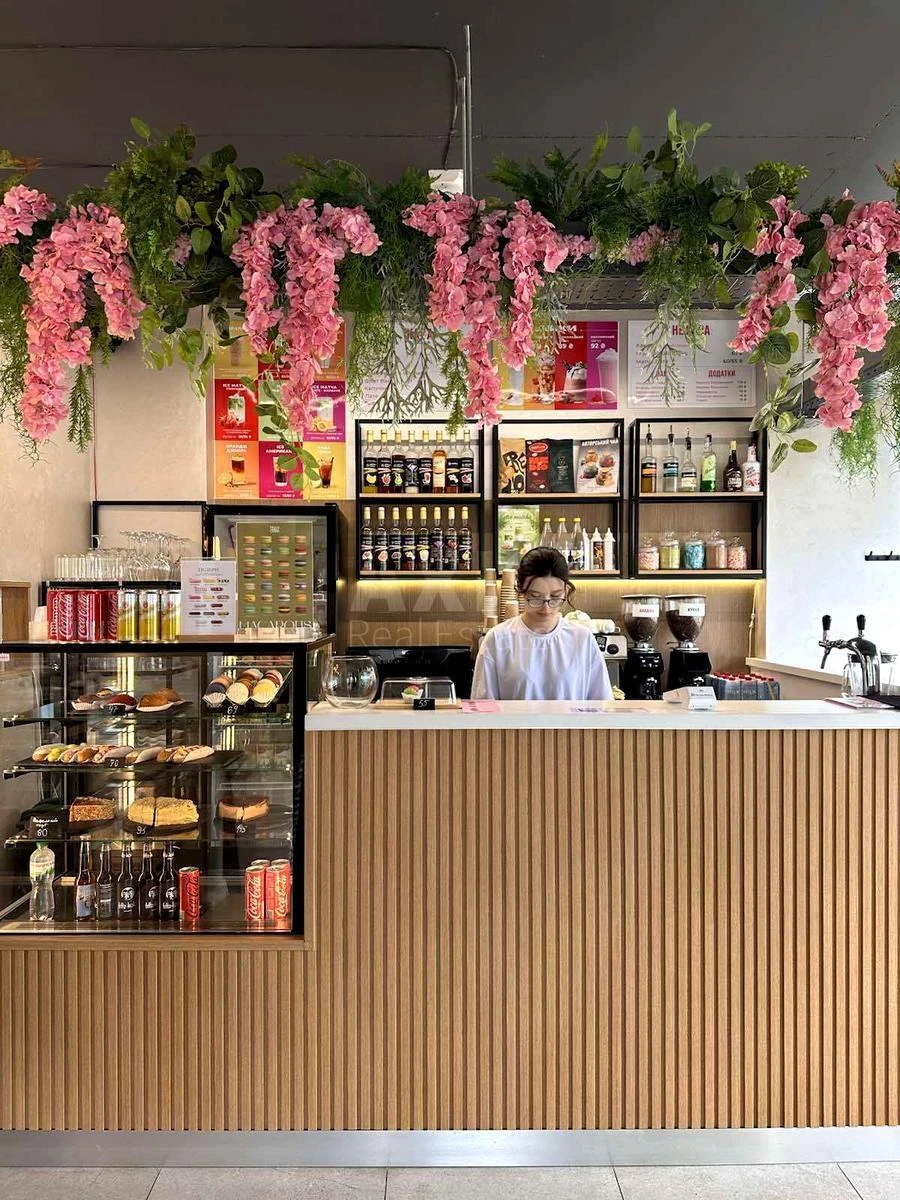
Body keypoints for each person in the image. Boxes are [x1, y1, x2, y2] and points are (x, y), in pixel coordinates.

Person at [471, 546, 613, 701]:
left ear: (566, 591)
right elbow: (483, 706)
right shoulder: (498, 639)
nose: (546, 608)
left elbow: (602, 704)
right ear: (521, 591)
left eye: (555, 597)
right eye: (535, 597)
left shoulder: (582, 639)